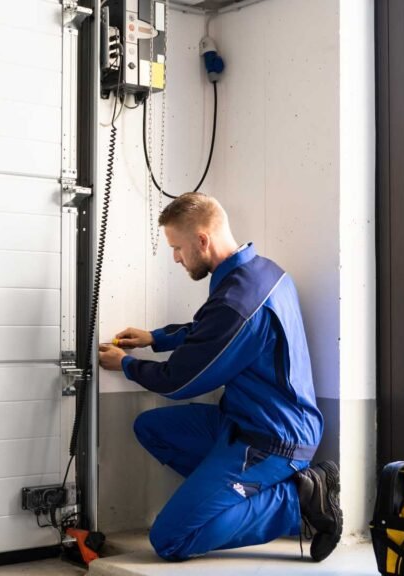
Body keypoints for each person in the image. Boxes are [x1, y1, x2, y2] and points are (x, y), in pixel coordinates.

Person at [98, 192, 342, 562]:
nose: (176, 258)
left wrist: (127, 365)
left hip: (273, 440)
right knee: (151, 428)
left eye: (177, 248)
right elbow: (210, 331)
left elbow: (179, 382)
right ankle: (235, 497)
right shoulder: (261, 272)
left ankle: (297, 501)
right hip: (242, 422)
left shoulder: (239, 303)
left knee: (169, 540)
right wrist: (155, 338)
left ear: (202, 240)